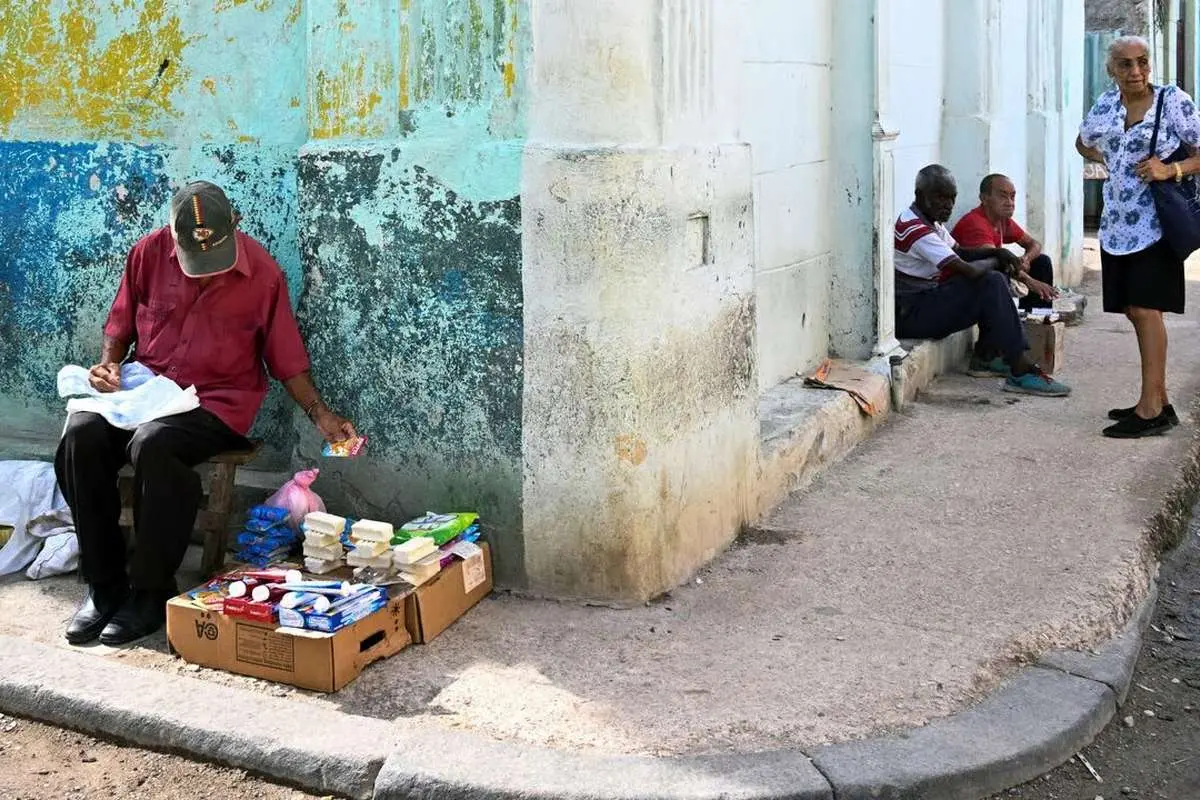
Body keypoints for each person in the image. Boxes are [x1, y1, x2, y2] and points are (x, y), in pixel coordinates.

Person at [55, 181, 358, 645]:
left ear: (233, 226)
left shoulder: (262, 274)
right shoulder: (147, 253)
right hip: (149, 387)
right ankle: (104, 585)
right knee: (81, 433)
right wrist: (110, 366)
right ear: (172, 236)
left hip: (217, 400)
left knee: (155, 444)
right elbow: (120, 325)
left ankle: (152, 591)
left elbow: (286, 359)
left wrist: (321, 413)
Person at [1077, 35, 1200, 438]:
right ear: (1111, 69)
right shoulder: (1107, 104)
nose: (1136, 72)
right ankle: (1158, 400)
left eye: (1142, 62)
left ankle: (1149, 410)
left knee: (1147, 310)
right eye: (1126, 64)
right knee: (1133, 310)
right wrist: (1108, 156)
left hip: (1157, 223)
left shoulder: (1172, 100)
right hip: (1117, 224)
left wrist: (1172, 170)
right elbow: (1083, 142)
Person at [894, 164, 1071, 397]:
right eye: (940, 198)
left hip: (923, 303)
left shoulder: (931, 223)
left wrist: (998, 253)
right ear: (920, 195)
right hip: (911, 314)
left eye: (952, 198)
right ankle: (1020, 368)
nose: (948, 205)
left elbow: (961, 251)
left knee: (995, 281)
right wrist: (997, 259)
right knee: (991, 282)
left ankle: (989, 356)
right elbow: (968, 269)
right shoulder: (916, 228)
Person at [951, 173, 1059, 310]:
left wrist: (1026, 258)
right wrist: (1031, 282)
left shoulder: (1002, 219)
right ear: (984, 198)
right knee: (999, 274)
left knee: (1041, 261)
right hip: (961, 286)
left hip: (987, 278)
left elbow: (1034, 244)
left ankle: (1037, 317)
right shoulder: (975, 224)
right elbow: (996, 263)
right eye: (1003, 196)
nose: (1010, 202)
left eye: (1012, 196)